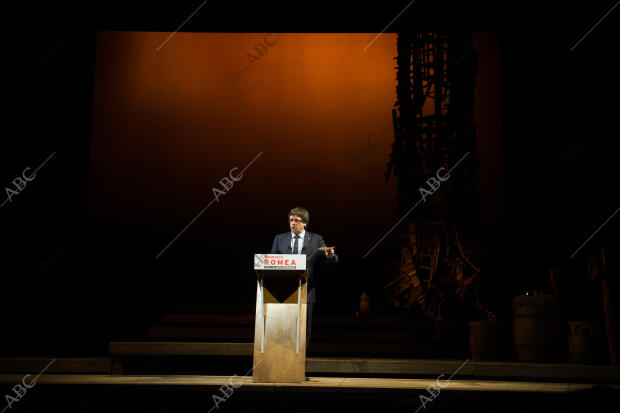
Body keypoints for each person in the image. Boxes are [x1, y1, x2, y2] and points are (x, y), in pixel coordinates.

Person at [270, 207, 337, 349]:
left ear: (305, 223)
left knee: (304, 329)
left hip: (307, 290)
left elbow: (330, 257)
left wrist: (330, 255)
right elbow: (271, 261)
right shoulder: (280, 239)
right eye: (291, 220)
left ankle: (301, 360)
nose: (292, 223)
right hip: (282, 292)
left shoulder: (316, 239)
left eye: (296, 221)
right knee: (284, 328)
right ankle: (283, 358)